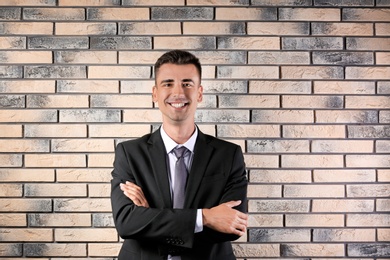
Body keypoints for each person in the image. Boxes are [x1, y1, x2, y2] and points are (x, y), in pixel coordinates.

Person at [110, 50, 248, 260]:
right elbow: (127, 223)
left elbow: (232, 225)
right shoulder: (129, 153)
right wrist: (206, 217)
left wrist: (151, 219)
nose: (178, 92)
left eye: (187, 83)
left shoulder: (229, 155)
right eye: (168, 83)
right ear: (155, 93)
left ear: (199, 93)